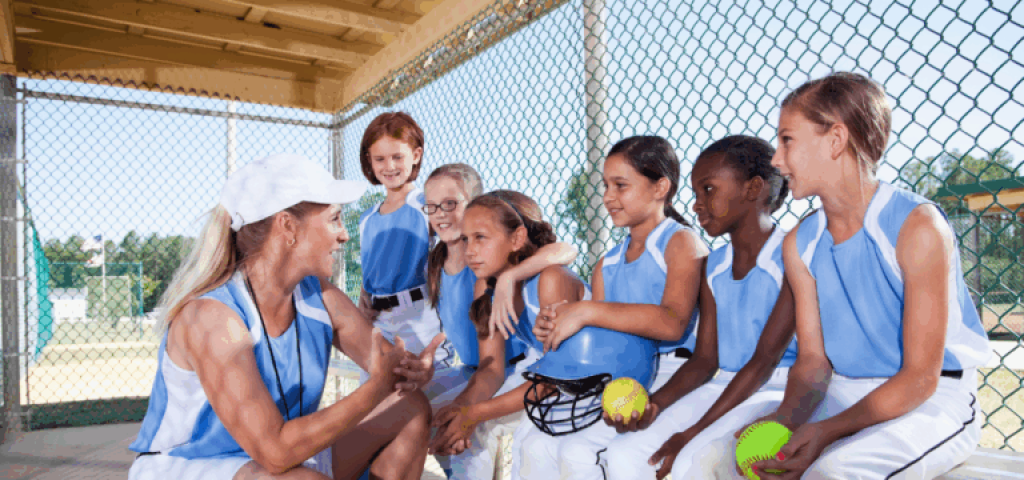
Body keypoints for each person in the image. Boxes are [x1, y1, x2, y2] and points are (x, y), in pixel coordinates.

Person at [128, 153, 443, 480]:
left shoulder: (317, 295)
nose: (344, 235)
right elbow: (276, 454)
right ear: (288, 226)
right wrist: (378, 386)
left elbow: (385, 364)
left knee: (409, 409)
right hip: (189, 465)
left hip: (278, 458)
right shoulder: (212, 318)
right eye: (334, 218)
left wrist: (411, 370)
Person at [739, 72, 990, 479]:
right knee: (720, 454)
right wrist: (785, 420)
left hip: (932, 398)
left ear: (835, 140)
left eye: (787, 140)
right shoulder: (801, 242)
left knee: (836, 471)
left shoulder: (917, 226)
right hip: (844, 389)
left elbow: (920, 377)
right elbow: (813, 362)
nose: (776, 159)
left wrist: (826, 431)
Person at [601, 135, 798, 479]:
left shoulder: (790, 256)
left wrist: (692, 431)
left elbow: (762, 362)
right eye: (695, 192)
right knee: (623, 455)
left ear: (754, 189)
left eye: (708, 189)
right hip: (720, 384)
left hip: (775, 388)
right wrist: (655, 405)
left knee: (694, 462)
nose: (695, 204)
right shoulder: (714, 266)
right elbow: (704, 360)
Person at [520, 135, 707, 480]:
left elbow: (672, 324)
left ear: (660, 187)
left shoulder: (679, 241)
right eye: (606, 185)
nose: (607, 197)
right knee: (538, 446)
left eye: (621, 185)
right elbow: (606, 338)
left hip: (674, 373)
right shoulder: (606, 263)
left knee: (583, 453)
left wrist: (586, 311)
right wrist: (558, 325)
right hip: (620, 376)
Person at [421, 165, 577, 479]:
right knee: (446, 418)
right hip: (518, 373)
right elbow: (489, 367)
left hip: (573, 384)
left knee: (527, 446)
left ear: (517, 237)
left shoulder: (548, 279)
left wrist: (473, 412)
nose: (471, 250)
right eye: (468, 239)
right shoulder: (482, 283)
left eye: (480, 237)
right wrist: (464, 408)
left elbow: (555, 379)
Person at [356, 112, 455, 376]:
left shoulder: (425, 203)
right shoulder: (367, 218)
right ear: (370, 161)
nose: (389, 166)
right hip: (379, 321)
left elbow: (458, 242)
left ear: (416, 155)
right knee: (376, 393)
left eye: (397, 157)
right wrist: (363, 302)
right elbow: (371, 273)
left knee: (425, 392)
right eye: (380, 159)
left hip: (420, 315)